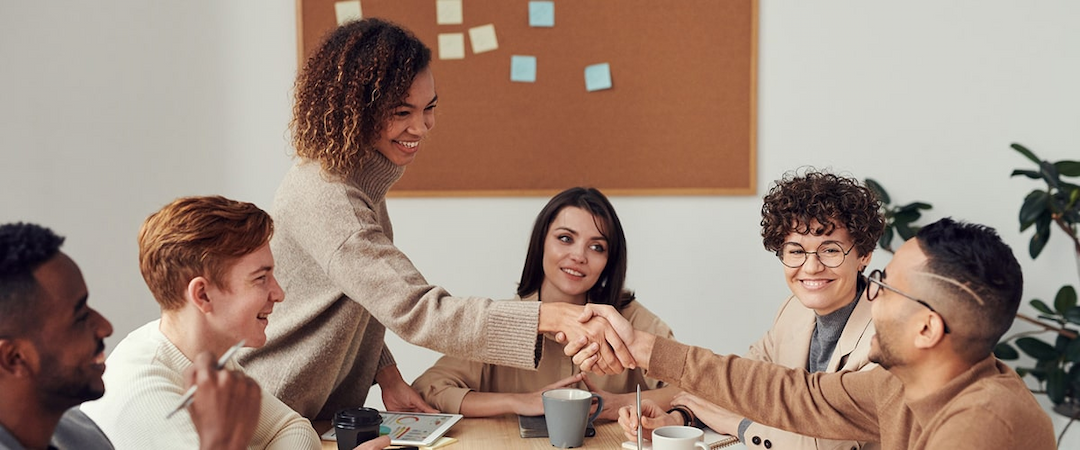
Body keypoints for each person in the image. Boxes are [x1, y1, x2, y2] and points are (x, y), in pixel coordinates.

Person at [239, 18, 631, 421]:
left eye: (429, 108)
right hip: (270, 413)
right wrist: (546, 316)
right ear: (357, 109)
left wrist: (386, 374)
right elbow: (419, 310)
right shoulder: (331, 196)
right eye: (401, 111)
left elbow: (362, 296)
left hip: (309, 415)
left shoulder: (355, 181)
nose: (420, 127)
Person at [582, 218, 1057, 449]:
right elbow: (793, 394)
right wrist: (644, 349)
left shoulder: (983, 425)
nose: (874, 296)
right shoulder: (899, 385)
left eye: (886, 287)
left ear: (928, 327)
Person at [80, 196, 388, 450]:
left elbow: (294, 428)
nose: (278, 293)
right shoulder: (145, 394)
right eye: (260, 278)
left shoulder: (206, 356)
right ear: (202, 294)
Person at [618, 170, 884, 449]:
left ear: (863, 255)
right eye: (796, 251)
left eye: (830, 250)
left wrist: (737, 425)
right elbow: (743, 384)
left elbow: (829, 443)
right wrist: (680, 419)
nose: (811, 267)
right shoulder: (793, 311)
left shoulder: (886, 335)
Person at [412, 187, 677, 420]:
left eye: (596, 247)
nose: (578, 256)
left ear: (610, 261)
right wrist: (519, 401)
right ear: (541, 244)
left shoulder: (631, 321)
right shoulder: (503, 322)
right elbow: (428, 388)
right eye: (565, 238)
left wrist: (622, 403)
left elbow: (696, 389)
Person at [0, 222, 266, 450]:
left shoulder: (83, 435)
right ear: (14, 358)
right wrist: (222, 443)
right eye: (80, 317)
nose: (105, 327)